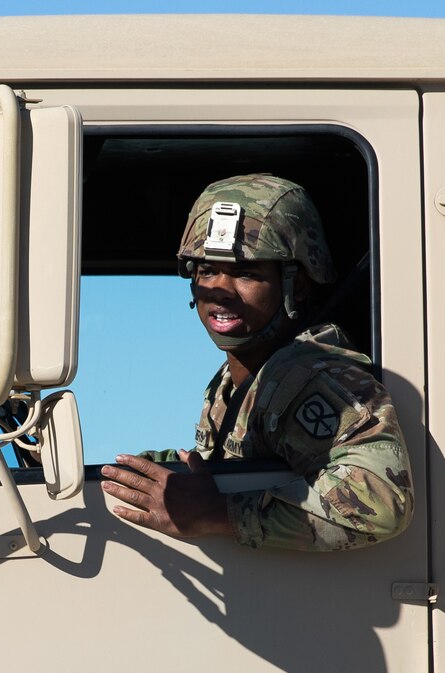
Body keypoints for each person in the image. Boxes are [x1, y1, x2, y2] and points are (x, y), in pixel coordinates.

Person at [101, 173, 413, 551]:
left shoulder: (310, 378)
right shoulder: (241, 377)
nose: (219, 290)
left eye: (246, 273)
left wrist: (218, 514)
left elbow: (380, 505)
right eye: (207, 270)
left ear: (296, 284)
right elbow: (233, 465)